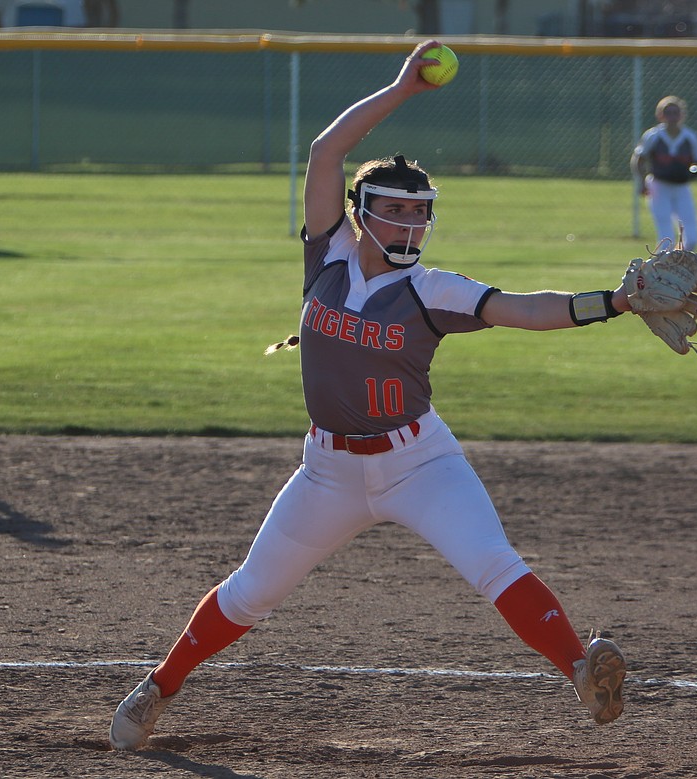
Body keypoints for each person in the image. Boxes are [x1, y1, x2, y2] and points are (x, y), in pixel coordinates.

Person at [109, 40, 630, 751]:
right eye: (394, 211)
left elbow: (528, 308)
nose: (410, 225)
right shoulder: (325, 253)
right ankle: (160, 686)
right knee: (250, 593)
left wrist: (617, 301)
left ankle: (581, 667)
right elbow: (326, 150)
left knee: (494, 564)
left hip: (421, 464)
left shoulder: (431, 289)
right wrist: (402, 89)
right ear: (360, 210)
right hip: (327, 471)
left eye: (421, 214)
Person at [632, 96, 697, 251]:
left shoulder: (689, 137)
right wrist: (641, 182)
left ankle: (679, 264)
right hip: (659, 186)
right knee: (666, 239)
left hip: (681, 187)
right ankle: (662, 270)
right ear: (660, 115)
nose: (672, 117)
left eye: (675, 112)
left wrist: (691, 172)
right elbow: (639, 159)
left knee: (691, 238)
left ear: (682, 115)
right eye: (668, 112)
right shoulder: (653, 136)